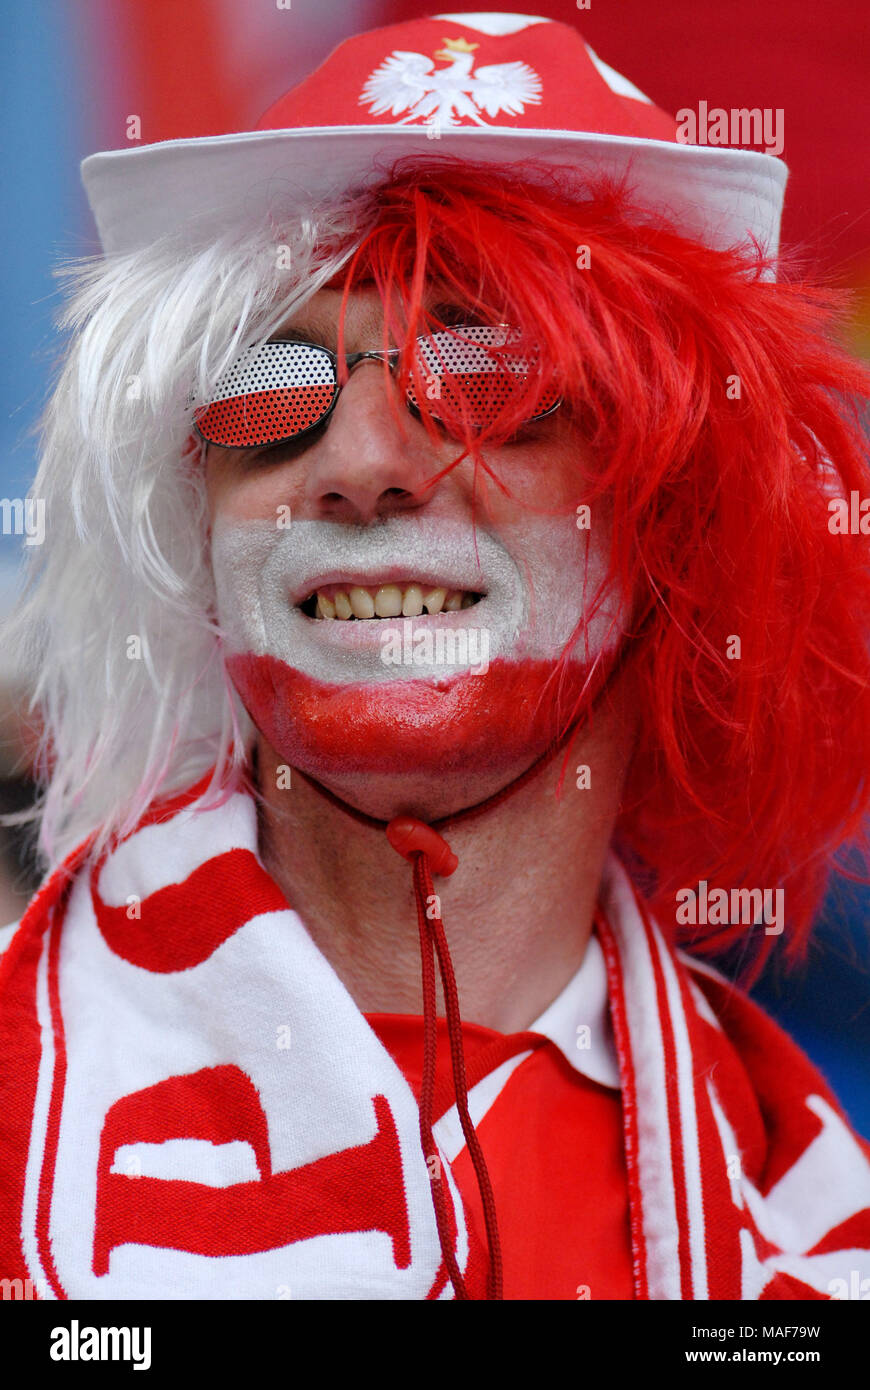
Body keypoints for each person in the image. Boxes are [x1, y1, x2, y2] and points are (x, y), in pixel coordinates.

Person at [1, 10, 869, 1302]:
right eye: (263, 387)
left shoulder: (810, 1226)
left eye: (485, 381)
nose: (355, 465)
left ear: (678, 517)